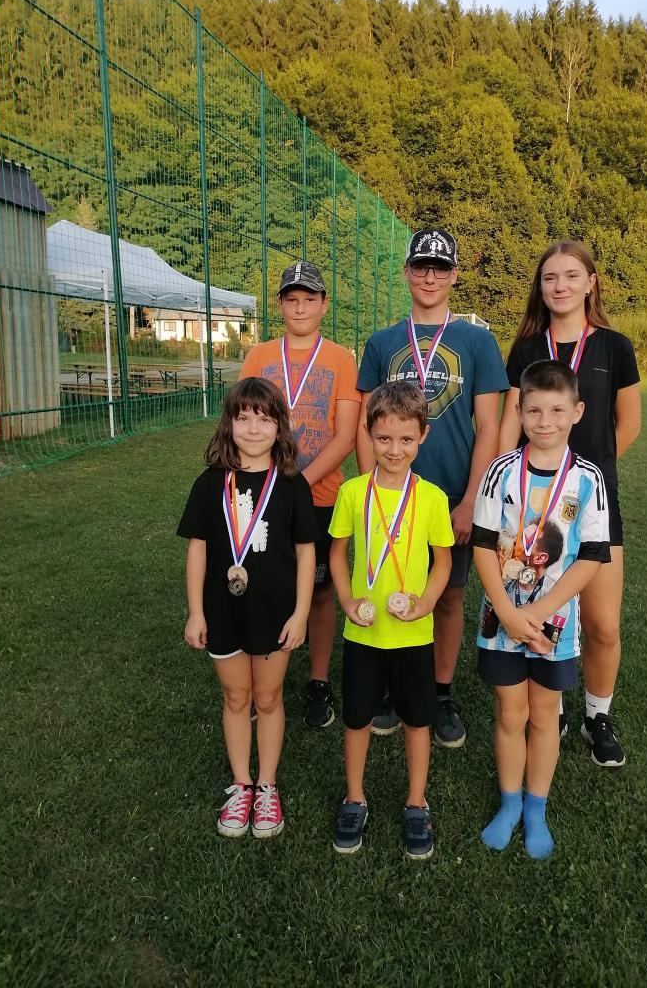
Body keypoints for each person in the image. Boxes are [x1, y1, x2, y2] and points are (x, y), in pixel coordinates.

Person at [356, 228, 508, 747]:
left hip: (449, 497)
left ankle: (439, 693)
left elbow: (488, 426)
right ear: (406, 272)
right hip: (390, 494)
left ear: (454, 276)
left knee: (447, 596)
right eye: (421, 266)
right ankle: (387, 688)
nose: (429, 277)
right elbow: (365, 424)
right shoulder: (381, 343)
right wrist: (368, 493)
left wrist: (471, 500)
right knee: (383, 584)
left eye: (440, 268)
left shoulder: (477, 341)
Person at [498, 241, 641, 766]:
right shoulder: (525, 349)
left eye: (571, 276)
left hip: (593, 504)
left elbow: (629, 424)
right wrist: (503, 485)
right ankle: (550, 706)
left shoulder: (615, 347)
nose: (560, 286)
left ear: (590, 283)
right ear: (540, 288)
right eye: (550, 278)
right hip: (532, 506)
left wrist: (581, 481)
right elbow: (510, 426)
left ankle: (597, 715)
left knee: (603, 623)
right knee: (537, 608)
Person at [473, 360, 611, 858]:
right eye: (534, 410)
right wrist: (508, 612)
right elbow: (483, 544)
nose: (545, 421)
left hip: (556, 623)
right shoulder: (500, 472)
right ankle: (510, 803)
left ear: (577, 412)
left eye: (556, 410)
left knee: (544, 714)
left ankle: (536, 808)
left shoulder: (588, 479)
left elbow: (592, 555)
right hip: (502, 619)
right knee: (510, 712)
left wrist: (544, 608)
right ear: (519, 412)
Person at [178, 378, 317, 838]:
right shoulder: (210, 484)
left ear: (280, 427)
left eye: (264, 418)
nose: (253, 428)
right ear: (229, 424)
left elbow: (306, 553)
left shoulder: (293, 485)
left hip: (275, 613)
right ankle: (241, 786)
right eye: (243, 418)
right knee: (236, 697)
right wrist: (196, 612)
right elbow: (198, 550)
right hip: (223, 611)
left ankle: (267, 786)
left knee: (269, 698)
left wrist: (300, 613)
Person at [329, 382, 454, 858]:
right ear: (368, 434)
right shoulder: (352, 493)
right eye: (383, 438)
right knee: (357, 718)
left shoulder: (433, 498)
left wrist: (425, 604)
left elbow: (443, 563)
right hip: (363, 631)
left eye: (406, 439)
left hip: (413, 634)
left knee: (417, 721)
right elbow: (336, 554)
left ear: (423, 436)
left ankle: (416, 802)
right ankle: (354, 798)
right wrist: (346, 601)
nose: (394, 449)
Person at [240, 262, 361, 730]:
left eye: (310, 299)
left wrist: (298, 484)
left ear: (324, 305)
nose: (300, 308)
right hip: (262, 494)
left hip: (318, 494)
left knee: (321, 589)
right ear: (280, 305)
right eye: (292, 299)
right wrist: (270, 486)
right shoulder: (259, 356)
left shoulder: (340, 359)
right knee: (263, 582)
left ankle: (318, 680)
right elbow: (241, 421)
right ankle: (260, 680)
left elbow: (345, 436)